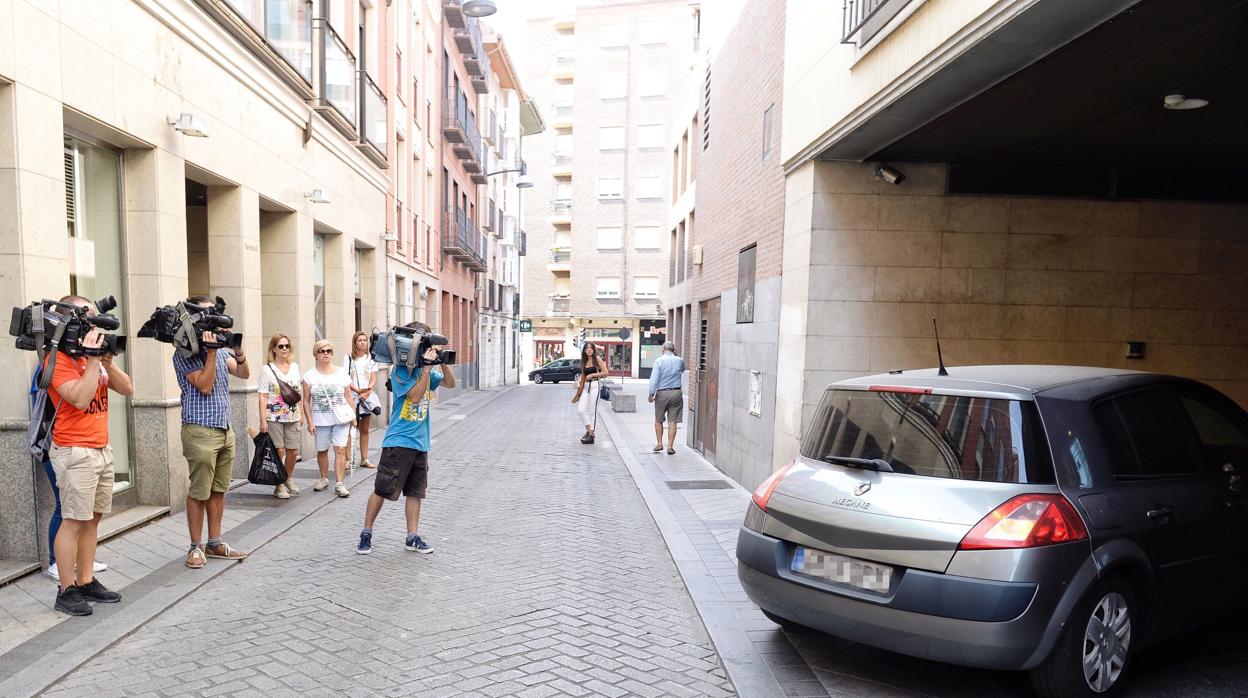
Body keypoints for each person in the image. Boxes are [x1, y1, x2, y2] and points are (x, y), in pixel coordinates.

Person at [46, 295, 133, 615]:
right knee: (73, 521)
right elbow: (80, 399)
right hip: (74, 451)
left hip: (100, 448)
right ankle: (65, 589)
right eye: (88, 320)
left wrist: (106, 360)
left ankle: (85, 580)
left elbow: (127, 388)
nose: (94, 326)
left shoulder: (90, 358)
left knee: (92, 519)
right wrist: (94, 360)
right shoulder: (58, 361)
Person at [357, 322, 456, 555]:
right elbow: (414, 397)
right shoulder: (401, 371)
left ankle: (412, 537)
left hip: (420, 442)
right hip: (398, 442)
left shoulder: (427, 368)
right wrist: (425, 370)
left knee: (415, 492)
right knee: (382, 490)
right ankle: (366, 533)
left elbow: (450, 384)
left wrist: (442, 361)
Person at [175, 295, 251, 570]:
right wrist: (208, 352)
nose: (213, 321)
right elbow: (204, 386)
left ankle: (215, 542)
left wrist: (237, 349)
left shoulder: (219, 351)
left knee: (219, 489)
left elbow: (244, 373)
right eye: (207, 316)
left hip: (224, 428)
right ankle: (195, 547)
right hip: (199, 429)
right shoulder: (184, 353)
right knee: (199, 491)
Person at [32, 370, 109, 582]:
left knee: (88, 515)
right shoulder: (53, 364)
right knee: (67, 511)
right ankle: (57, 565)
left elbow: (126, 387)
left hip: (92, 446)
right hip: (60, 446)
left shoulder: (86, 363)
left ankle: (84, 571)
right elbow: (78, 399)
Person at [302, 339, 356, 497]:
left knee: (340, 450)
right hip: (320, 420)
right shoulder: (309, 376)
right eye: (322, 351)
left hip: (341, 419)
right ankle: (324, 478)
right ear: (315, 355)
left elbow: (348, 397)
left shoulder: (341, 373)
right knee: (322, 451)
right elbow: (306, 400)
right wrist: (310, 422)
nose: (326, 354)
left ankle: (340, 483)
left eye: (329, 351)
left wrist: (353, 416)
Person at [257, 334, 302, 499]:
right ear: (273, 349)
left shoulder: (295, 367)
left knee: (293, 451)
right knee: (279, 450)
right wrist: (262, 420)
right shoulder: (267, 369)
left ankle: (288, 477)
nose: (284, 349)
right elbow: (262, 396)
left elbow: (298, 392)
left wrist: (301, 414)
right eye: (281, 346)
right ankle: (279, 484)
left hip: (293, 415)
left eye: (287, 346)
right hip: (274, 416)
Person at [345, 330, 380, 469]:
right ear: (354, 343)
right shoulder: (348, 359)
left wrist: (368, 390)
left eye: (365, 340)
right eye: (359, 340)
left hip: (366, 397)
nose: (363, 342)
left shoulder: (370, 359)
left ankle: (364, 459)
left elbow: (373, 377)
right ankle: (347, 460)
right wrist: (357, 390)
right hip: (352, 397)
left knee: (365, 429)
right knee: (350, 429)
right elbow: (346, 378)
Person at [647, 341, 686, 455]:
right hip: (676, 392)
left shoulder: (659, 361)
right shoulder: (679, 360)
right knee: (672, 421)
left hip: (662, 393)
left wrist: (651, 394)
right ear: (673, 349)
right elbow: (682, 370)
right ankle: (670, 446)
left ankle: (659, 444)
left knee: (658, 419)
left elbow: (654, 379)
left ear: (663, 349)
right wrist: (677, 354)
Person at [571, 342, 609, 444]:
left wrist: (592, 375)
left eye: (591, 348)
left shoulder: (597, 359)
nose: (589, 350)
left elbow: (606, 372)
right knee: (581, 410)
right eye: (587, 348)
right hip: (586, 387)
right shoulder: (584, 361)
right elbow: (583, 379)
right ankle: (589, 431)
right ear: (584, 350)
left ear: (593, 350)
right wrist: (577, 395)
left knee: (592, 412)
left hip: (595, 386)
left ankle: (591, 434)